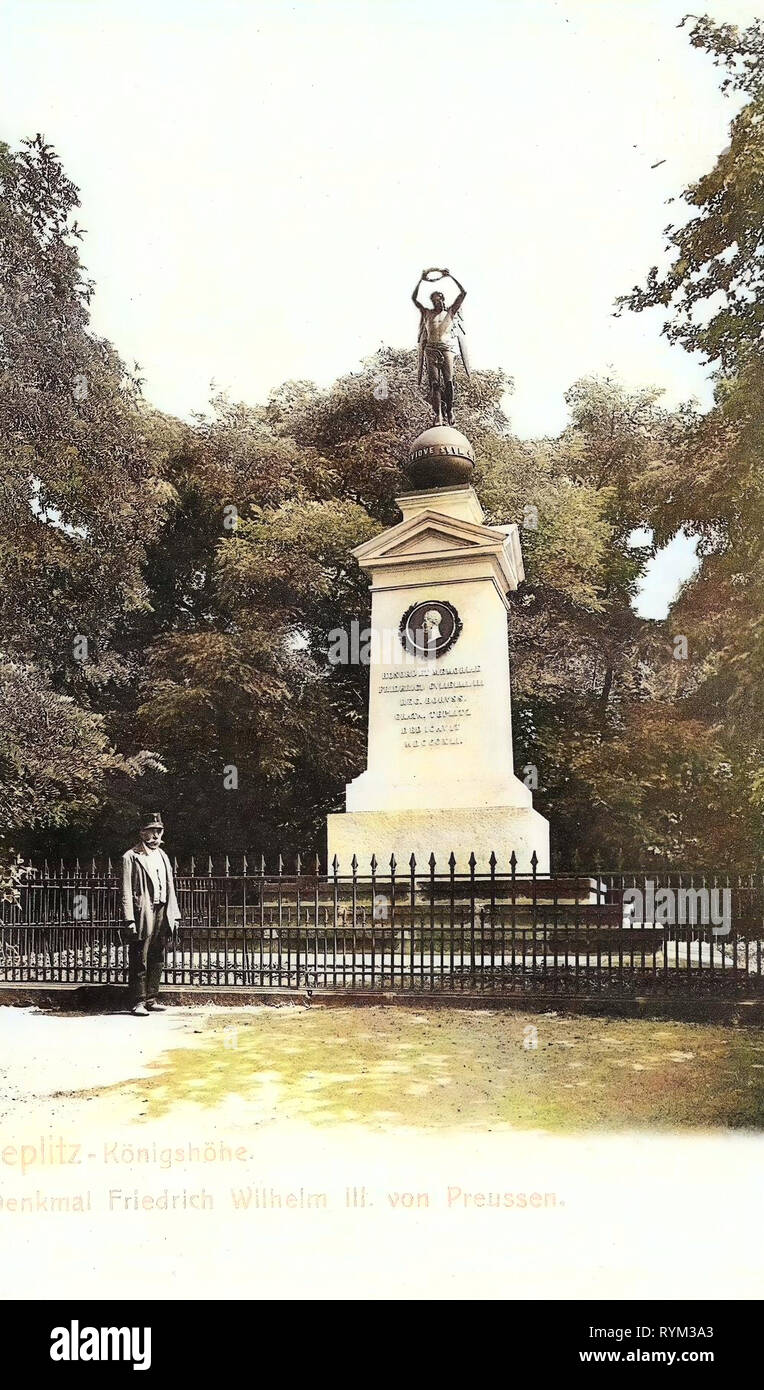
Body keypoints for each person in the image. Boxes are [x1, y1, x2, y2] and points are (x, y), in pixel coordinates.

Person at [121, 812, 180, 1016]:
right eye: (151, 831)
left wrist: (174, 913)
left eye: (159, 831)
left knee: (158, 954)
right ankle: (138, 1001)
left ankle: (151, 998)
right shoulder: (131, 856)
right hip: (143, 912)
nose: (156, 836)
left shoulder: (163, 855)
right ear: (141, 833)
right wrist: (129, 918)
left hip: (163, 910)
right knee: (140, 956)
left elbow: (170, 886)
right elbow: (126, 890)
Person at [412, 267, 468, 425]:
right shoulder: (427, 313)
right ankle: (438, 415)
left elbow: (463, 293)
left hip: (447, 348)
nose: (438, 302)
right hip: (431, 349)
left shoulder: (450, 312)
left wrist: (450, 276)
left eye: (440, 299)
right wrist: (421, 279)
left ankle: (449, 410)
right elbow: (414, 299)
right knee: (434, 384)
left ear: (443, 299)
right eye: (435, 300)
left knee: (449, 382)